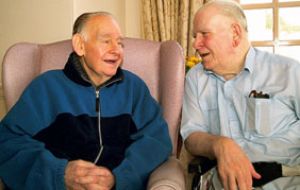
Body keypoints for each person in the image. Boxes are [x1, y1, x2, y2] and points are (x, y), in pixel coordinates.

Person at [0, 12, 172, 190]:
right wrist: (60, 174)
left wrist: (119, 178)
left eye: (120, 43)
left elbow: (157, 140)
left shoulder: (134, 88)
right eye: (106, 41)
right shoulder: (46, 87)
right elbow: (7, 142)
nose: (116, 49)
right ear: (80, 45)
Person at [180, 0, 300, 190]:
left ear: (235, 33)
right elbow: (190, 137)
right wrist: (219, 144)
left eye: (204, 34)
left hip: (285, 182)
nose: (196, 43)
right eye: (195, 36)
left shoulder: (290, 72)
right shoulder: (195, 78)